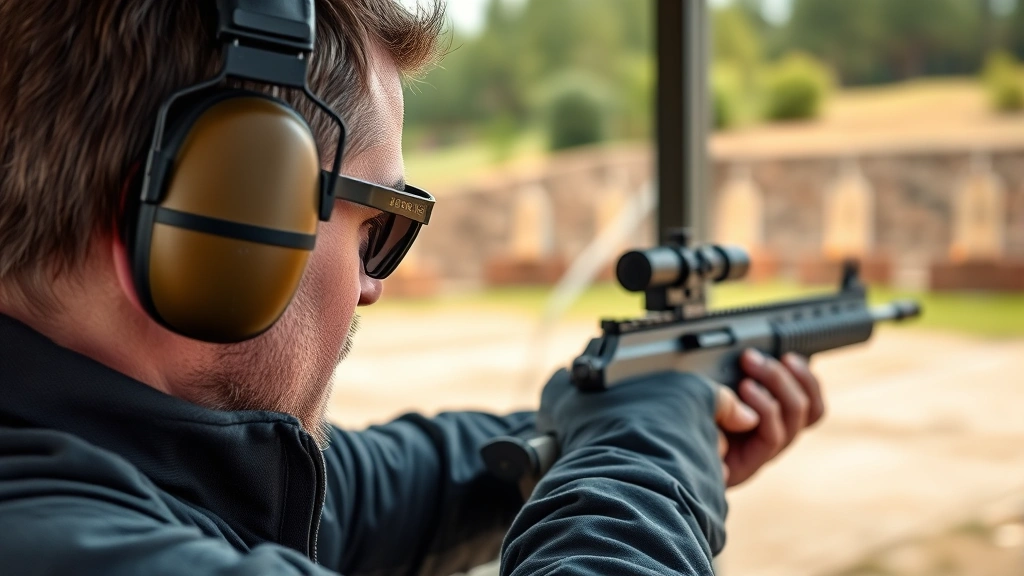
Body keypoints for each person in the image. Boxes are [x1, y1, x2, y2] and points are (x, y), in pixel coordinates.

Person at [0, 1, 825, 574]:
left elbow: (381, 488)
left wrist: (612, 407)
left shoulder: (94, 450)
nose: (372, 287)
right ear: (221, 218)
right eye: (380, 225)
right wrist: (652, 454)